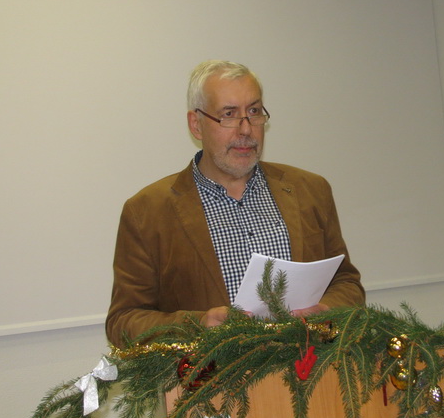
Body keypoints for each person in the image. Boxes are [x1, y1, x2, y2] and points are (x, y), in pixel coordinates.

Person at [106, 60, 364, 347]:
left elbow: (346, 283)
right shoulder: (147, 211)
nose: (246, 129)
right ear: (196, 124)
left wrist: (327, 311)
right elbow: (123, 321)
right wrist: (199, 325)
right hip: (212, 373)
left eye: (254, 112)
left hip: (310, 366)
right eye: (228, 115)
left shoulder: (310, 190)